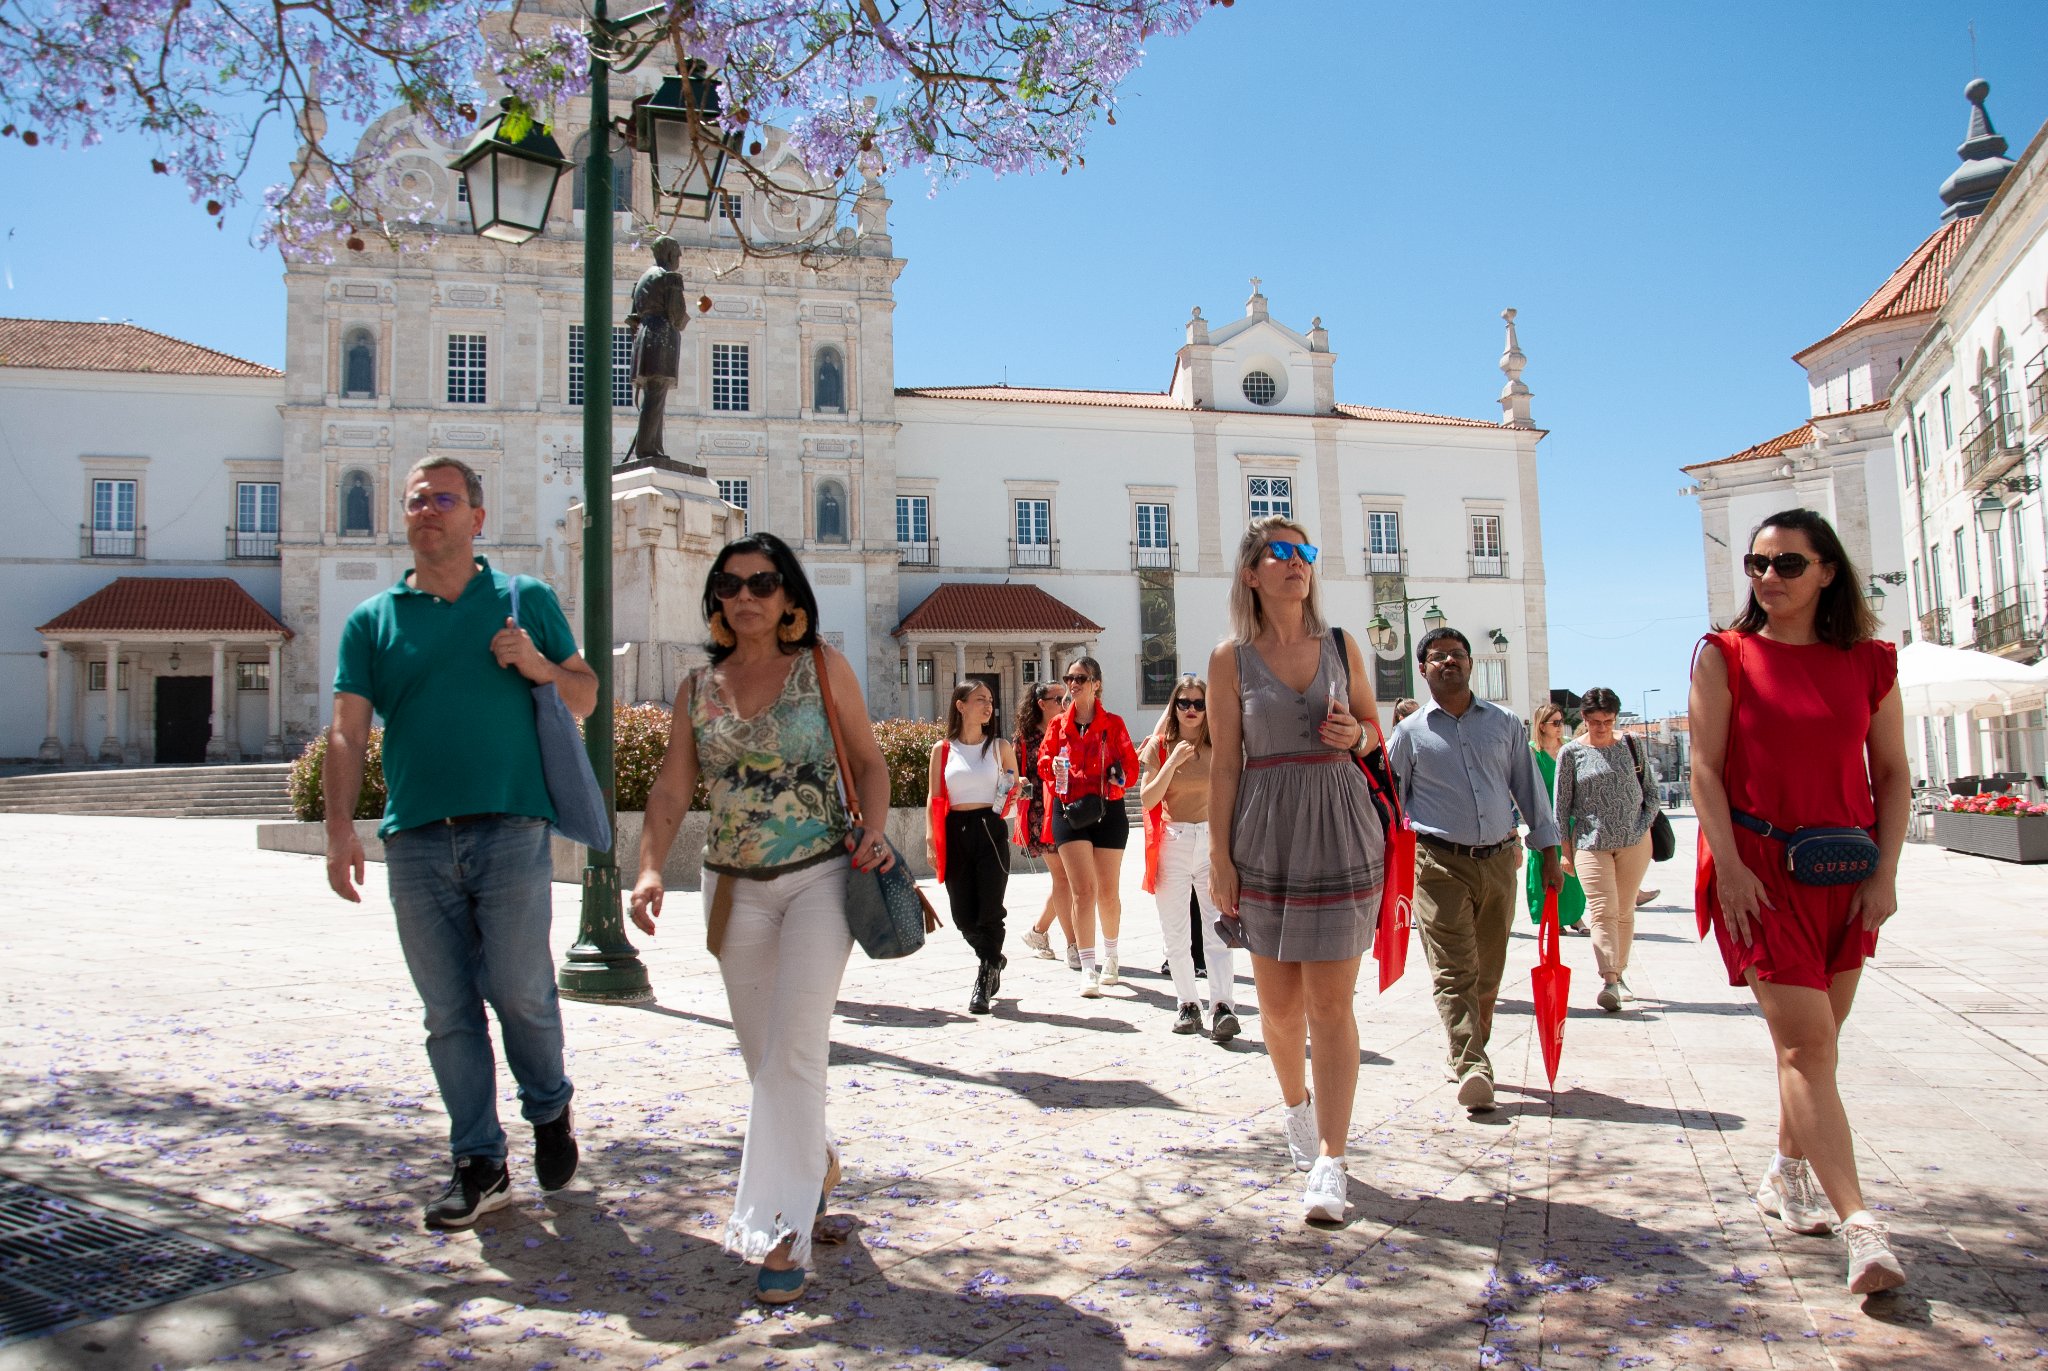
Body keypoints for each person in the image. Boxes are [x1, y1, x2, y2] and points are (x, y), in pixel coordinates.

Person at [628, 532, 897, 1306]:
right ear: (716, 598)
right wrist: (650, 866)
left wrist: (875, 828)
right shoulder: (697, 687)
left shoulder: (821, 666)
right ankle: (812, 1158)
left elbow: (870, 761)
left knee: (795, 1051)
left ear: (789, 598)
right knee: (764, 1058)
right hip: (732, 889)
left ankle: (780, 1232)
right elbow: (672, 791)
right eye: (731, 582)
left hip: (820, 876)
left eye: (764, 581)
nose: (746, 593)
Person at [324, 455, 591, 1230]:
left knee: (520, 990)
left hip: (510, 825)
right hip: (414, 839)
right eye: (414, 500)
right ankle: (478, 1160)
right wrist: (342, 827)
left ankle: (549, 1107)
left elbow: (585, 693)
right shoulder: (373, 621)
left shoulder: (523, 599)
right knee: (447, 1011)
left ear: (477, 517)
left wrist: (537, 664)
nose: (426, 509)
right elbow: (346, 732)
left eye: (444, 498)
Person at [1689, 508, 1908, 1294]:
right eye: (1757, 563)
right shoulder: (1726, 655)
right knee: (1808, 1047)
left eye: (1786, 563)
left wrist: (1884, 873)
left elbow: (1893, 775)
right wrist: (1734, 868)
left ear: (1826, 571)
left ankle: (1786, 1172)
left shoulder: (1871, 663)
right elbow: (1704, 771)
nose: (1767, 577)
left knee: (1815, 1047)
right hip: (1761, 874)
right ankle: (1861, 1225)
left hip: (1846, 871)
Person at [1207, 516, 1384, 1224]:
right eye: (1278, 552)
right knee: (1278, 1008)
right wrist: (1220, 855)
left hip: (1340, 824)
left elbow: (1376, 732)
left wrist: (1359, 734)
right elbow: (1224, 763)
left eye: (1305, 550)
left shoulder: (1342, 645)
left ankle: (1332, 1162)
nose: (1296, 562)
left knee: (1330, 1004)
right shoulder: (1230, 659)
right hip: (1266, 833)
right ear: (1251, 573)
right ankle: (1295, 1107)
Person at [1387, 626, 1562, 1116]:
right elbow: (1391, 801)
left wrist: (1548, 851)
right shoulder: (1410, 733)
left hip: (1499, 862)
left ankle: (1468, 1048)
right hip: (1438, 863)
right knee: (1453, 970)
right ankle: (1471, 1065)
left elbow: (1530, 790)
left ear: (1471, 663)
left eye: (1457, 655)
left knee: (1488, 972)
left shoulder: (1505, 724)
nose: (1449, 662)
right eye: (1438, 656)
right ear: (1422, 670)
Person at [1138, 674, 1240, 1042]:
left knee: (1217, 929)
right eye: (1185, 703)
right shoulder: (1160, 746)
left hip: (1212, 839)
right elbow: (1147, 799)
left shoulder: (1221, 744)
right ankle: (1187, 1004)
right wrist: (1172, 763)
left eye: (1199, 703)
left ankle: (1223, 1006)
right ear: (1174, 706)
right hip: (1173, 840)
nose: (1192, 710)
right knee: (1176, 932)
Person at [1037, 656, 1140, 997]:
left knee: (1108, 892)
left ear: (1096, 684)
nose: (1073, 683)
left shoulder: (1113, 724)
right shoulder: (1057, 726)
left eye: (1081, 677)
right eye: (1070, 677)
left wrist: (1118, 776)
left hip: (1107, 810)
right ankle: (1088, 968)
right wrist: (1052, 765)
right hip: (1069, 813)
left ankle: (1111, 955)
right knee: (1083, 890)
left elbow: (1131, 767)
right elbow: (1043, 764)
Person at [1554, 687, 1661, 1013]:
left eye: (1608, 721)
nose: (1602, 727)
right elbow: (1561, 807)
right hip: (1591, 844)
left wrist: (1640, 828)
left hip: (1634, 844)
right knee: (1602, 911)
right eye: (1596, 721)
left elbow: (1651, 795)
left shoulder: (1631, 746)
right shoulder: (1571, 753)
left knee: (1625, 910)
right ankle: (1610, 978)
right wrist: (1565, 850)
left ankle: (1621, 972)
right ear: (1584, 719)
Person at [926, 682, 1019, 1014]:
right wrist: (930, 837)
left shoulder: (999, 747)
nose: (988, 705)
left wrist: (1015, 790)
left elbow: (1011, 788)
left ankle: (984, 979)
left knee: (990, 910)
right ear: (961, 705)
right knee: (963, 916)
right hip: (955, 830)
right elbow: (934, 797)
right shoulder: (943, 750)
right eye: (980, 699)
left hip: (990, 828)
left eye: (991, 700)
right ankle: (993, 956)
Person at [1013, 683, 1080, 969]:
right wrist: (1023, 785)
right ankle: (1073, 945)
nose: (1066, 703)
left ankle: (1038, 932)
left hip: (1067, 810)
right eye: (1059, 699)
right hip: (1041, 815)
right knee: (1064, 878)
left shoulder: (1068, 730)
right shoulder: (1025, 739)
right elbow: (1013, 778)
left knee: (1066, 879)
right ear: (1041, 704)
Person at [1527, 702, 1588, 935]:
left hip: (1569, 817)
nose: (1560, 727)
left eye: (1561, 721)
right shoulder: (1532, 752)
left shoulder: (1569, 749)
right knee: (1543, 867)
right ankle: (1553, 917)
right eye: (1555, 723)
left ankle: (1576, 916)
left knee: (1571, 866)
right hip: (1543, 817)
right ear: (1542, 726)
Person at [624, 235, 687, 462]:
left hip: (643, 337)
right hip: (662, 336)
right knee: (656, 393)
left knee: (653, 394)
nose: (679, 259)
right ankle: (647, 448)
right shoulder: (670, 278)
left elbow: (632, 319)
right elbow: (677, 314)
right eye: (678, 254)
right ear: (670, 254)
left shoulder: (642, 280)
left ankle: (653, 447)